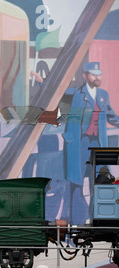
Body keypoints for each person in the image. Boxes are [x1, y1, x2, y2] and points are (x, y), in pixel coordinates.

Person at [63, 62, 119, 224]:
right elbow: (57, 92)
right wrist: (41, 82)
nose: (97, 77)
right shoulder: (76, 94)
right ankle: (78, 223)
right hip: (79, 144)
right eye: (93, 74)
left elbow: (111, 116)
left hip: (98, 145)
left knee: (101, 181)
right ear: (85, 76)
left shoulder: (103, 95)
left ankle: (98, 218)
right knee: (77, 183)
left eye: (99, 74)